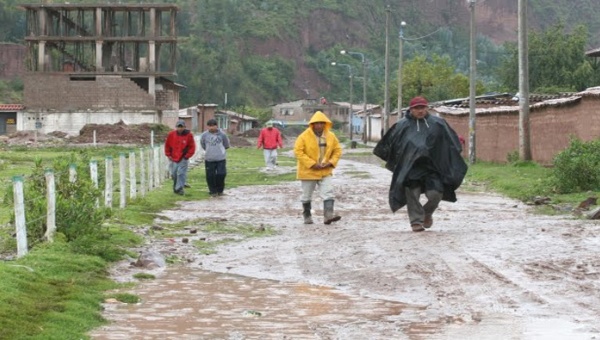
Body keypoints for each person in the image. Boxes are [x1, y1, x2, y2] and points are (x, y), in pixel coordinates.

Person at [373, 96, 468, 232]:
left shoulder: (438, 123)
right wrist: (398, 162)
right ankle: (416, 221)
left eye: (422, 107)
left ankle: (427, 213)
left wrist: (451, 154)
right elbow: (390, 145)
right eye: (417, 108)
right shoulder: (401, 126)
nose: (420, 111)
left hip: (433, 168)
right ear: (411, 109)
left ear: (427, 107)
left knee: (436, 195)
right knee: (412, 195)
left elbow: (450, 141)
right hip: (411, 168)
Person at [294, 111, 342, 225]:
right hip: (308, 171)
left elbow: (337, 151)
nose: (319, 125)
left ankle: (328, 216)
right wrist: (312, 164)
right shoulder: (303, 137)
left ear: (325, 124)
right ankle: (307, 216)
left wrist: (330, 162)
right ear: (312, 124)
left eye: (321, 123)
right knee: (306, 195)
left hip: (325, 170)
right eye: (317, 123)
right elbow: (298, 152)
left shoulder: (331, 136)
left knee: (328, 192)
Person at [164, 119, 196, 195]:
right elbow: (167, 145)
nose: (180, 128)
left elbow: (192, 147)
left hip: (183, 157)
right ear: (176, 127)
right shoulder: (171, 134)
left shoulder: (189, 135)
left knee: (181, 173)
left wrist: (187, 156)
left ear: (185, 127)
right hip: (173, 157)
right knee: (174, 174)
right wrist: (168, 154)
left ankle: (179, 188)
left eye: (182, 127)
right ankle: (176, 188)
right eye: (179, 127)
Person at [200, 118, 230, 197]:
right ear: (207, 127)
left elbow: (226, 145)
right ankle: (212, 191)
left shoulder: (222, 135)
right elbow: (203, 144)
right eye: (210, 126)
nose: (212, 127)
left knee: (221, 174)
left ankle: (220, 190)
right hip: (209, 158)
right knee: (210, 175)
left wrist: (220, 151)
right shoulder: (204, 135)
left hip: (221, 158)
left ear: (217, 126)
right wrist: (209, 150)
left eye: (213, 126)